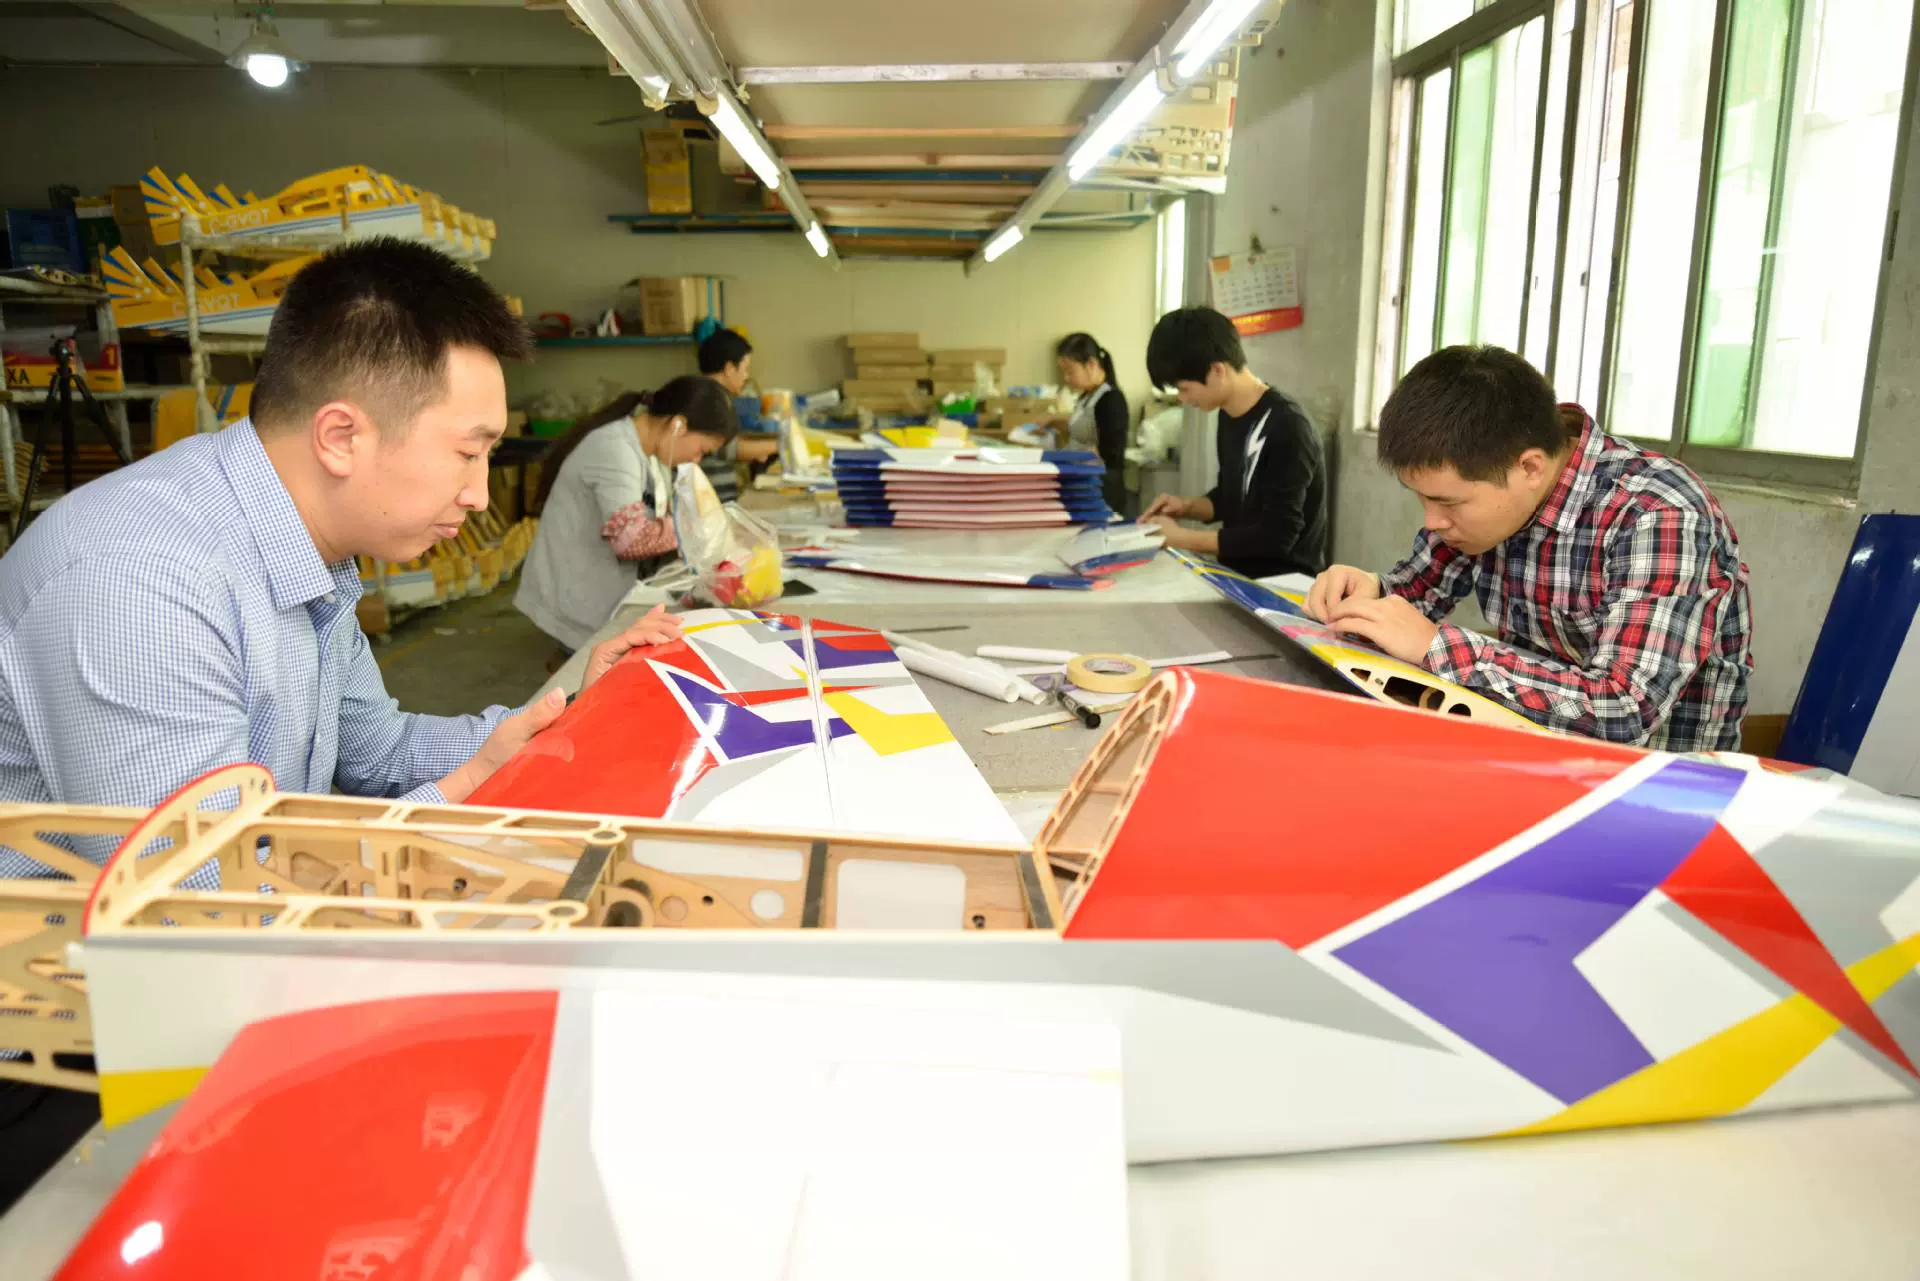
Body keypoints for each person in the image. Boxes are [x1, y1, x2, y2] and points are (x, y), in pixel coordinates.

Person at [0, 237, 679, 1209]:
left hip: (195, 981)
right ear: (341, 436)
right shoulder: (144, 583)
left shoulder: (304, 552)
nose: (480, 492)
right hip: (58, 1049)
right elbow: (192, 919)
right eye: (468, 452)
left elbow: (372, 750)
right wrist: (447, 812)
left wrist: (546, 720)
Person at [1304, 345, 1752, 751]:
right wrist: (1370, 593)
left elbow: (1624, 710)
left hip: (1652, 785)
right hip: (1527, 749)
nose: (1432, 522)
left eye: (1448, 502)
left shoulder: (1659, 516)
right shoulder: (1489, 496)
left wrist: (1436, 647)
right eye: (1421, 499)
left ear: (1531, 468)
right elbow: (1417, 592)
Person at [516, 376, 738, 658]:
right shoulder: (614, 449)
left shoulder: (650, 453)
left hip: (599, 588)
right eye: (701, 451)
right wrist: (697, 527)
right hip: (575, 596)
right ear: (678, 425)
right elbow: (630, 539)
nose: (697, 460)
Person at [1139, 307, 1328, 578]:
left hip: (1285, 587)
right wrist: (1186, 506)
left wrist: (1180, 538)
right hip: (1238, 578)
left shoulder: (1288, 426)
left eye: (1184, 388)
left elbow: (1276, 537)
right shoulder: (1229, 415)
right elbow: (1232, 497)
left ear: (1217, 370)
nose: (1182, 398)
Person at [1055, 332, 1129, 515]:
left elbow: (1110, 452)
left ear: (1091, 365)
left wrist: (1067, 460)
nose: (1066, 378)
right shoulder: (1087, 396)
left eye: (1070, 371)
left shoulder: (1111, 400)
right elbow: (1085, 426)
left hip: (1100, 490)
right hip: (1082, 482)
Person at [697, 326, 777, 470]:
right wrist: (780, 445)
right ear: (729, 369)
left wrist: (760, 449)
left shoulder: (713, 395)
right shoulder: (707, 400)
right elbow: (728, 449)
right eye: (745, 369)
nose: (746, 376)